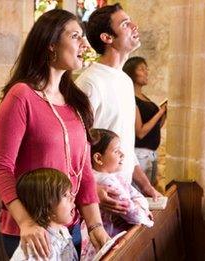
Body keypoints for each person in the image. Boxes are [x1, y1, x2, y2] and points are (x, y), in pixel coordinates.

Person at [0, 9, 110, 259]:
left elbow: (84, 171)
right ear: (51, 44)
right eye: (76, 36)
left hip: (70, 227)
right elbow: (1, 166)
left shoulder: (75, 101)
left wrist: (95, 225)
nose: (85, 44)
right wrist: (26, 222)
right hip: (31, 231)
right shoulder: (21, 96)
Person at [75, 3, 162, 217]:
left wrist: (145, 186)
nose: (134, 26)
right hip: (100, 196)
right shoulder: (90, 82)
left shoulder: (124, 81)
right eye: (125, 23)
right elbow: (77, 147)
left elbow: (126, 147)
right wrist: (91, 191)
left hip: (123, 187)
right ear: (107, 37)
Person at [80, 128, 153, 260]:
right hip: (107, 242)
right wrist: (143, 210)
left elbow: (138, 196)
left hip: (113, 240)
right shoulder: (106, 182)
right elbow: (135, 215)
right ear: (98, 158)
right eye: (116, 151)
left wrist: (139, 204)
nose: (122, 154)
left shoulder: (113, 176)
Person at [10, 168, 78, 261]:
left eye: (70, 192)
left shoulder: (63, 230)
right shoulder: (35, 249)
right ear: (46, 208)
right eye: (65, 195)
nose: (72, 197)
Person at [122, 57, 166, 186]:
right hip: (140, 154)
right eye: (142, 69)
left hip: (151, 153)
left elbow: (156, 127)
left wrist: (164, 114)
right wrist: (160, 113)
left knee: (149, 192)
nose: (146, 72)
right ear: (131, 73)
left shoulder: (144, 97)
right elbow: (140, 132)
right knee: (141, 193)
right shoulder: (131, 98)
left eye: (146, 69)